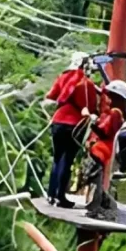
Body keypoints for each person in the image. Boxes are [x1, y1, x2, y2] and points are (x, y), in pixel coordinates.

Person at [44, 52, 99, 208]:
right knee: (67, 160)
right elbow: (91, 107)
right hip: (73, 125)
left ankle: (51, 195)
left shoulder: (62, 77)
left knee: (57, 159)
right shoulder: (85, 83)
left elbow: (51, 96)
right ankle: (60, 197)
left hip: (57, 122)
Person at [84, 80, 126, 213]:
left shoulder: (115, 113)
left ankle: (95, 206)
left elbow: (103, 131)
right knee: (97, 180)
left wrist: (91, 120)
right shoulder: (118, 112)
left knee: (95, 180)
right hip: (105, 150)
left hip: (101, 150)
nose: (108, 98)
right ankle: (98, 204)